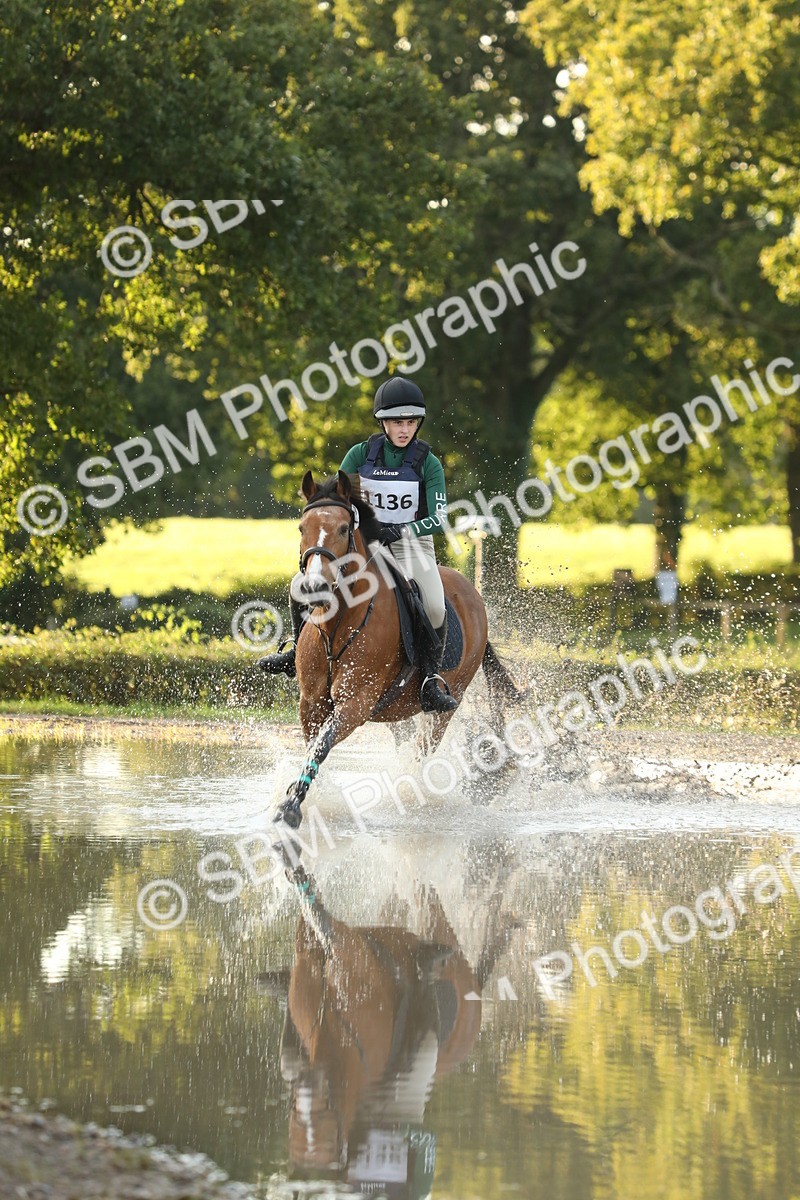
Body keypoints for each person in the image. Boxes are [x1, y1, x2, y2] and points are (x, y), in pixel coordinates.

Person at [259, 376, 458, 713]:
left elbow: (438, 518)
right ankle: (296, 650)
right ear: (383, 422)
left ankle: (428, 680)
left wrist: (403, 530)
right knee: (299, 587)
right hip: (364, 544)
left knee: (436, 605)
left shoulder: (428, 463)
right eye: (397, 422)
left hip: (412, 546)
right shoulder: (360, 455)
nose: (404, 429)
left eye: (411, 422)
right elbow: (338, 501)